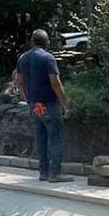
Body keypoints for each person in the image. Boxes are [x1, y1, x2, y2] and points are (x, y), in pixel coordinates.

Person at [13, 28, 70, 182]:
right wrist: (66, 104)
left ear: (32, 42)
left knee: (40, 138)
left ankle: (43, 172)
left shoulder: (23, 58)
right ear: (47, 42)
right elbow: (55, 83)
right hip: (49, 104)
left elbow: (20, 82)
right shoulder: (48, 58)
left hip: (34, 105)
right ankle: (55, 173)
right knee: (55, 137)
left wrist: (28, 100)